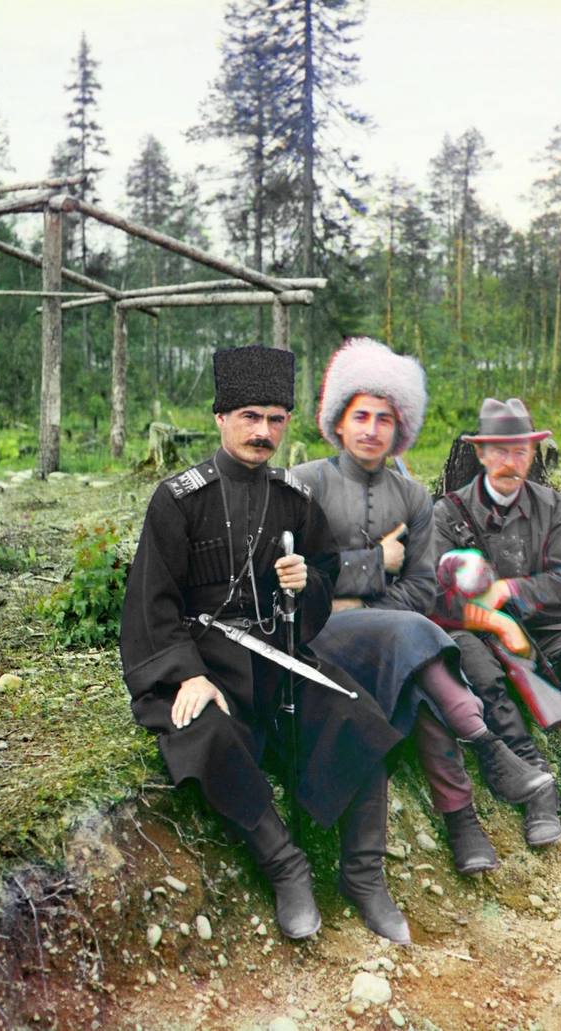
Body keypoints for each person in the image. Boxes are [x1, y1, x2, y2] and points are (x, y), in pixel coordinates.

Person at [119, 344, 410, 945]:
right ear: (221, 417)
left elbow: (323, 583)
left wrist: (307, 585)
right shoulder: (178, 500)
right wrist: (186, 675)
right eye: (250, 416)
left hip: (275, 658)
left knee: (356, 712)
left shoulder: (293, 499)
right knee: (204, 731)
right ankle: (286, 866)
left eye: (276, 418)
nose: (263, 431)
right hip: (200, 663)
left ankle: (363, 874)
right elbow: (153, 605)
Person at [292, 338, 551, 876]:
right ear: (338, 422)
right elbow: (296, 578)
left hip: (391, 637)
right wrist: (369, 564)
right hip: (319, 637)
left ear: (399, 428)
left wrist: (361, 602)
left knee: (417, 671)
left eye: (384, 419)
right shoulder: (305, 484)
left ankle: (464, 825)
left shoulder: (412, 497)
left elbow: (421, 589)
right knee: (416, 647)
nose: (370, 429)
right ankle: (484, 757)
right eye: (360, 416)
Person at [433, 397, 561, 848]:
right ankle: (537, 785)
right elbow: (432, 599)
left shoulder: (552, 506)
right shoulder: (447, 513)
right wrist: (496, 623)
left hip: (546, 630)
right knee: (472, 663)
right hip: (474, 629)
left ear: (532, 455)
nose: (509, 462)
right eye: (499, 451)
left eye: (520, 452)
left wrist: (511, 593)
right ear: (480, 454)